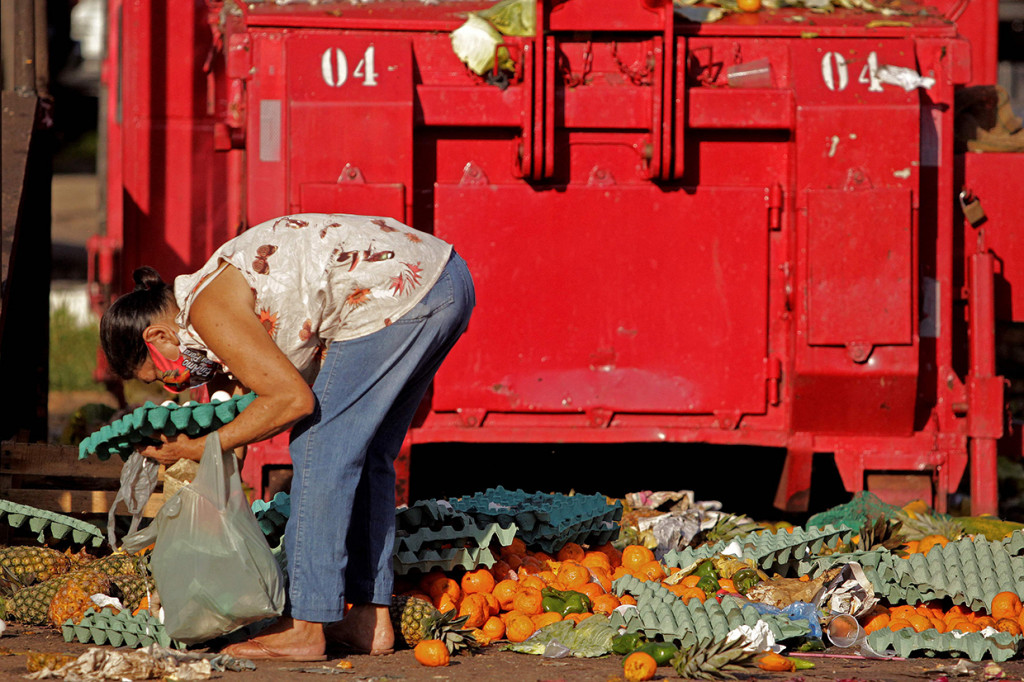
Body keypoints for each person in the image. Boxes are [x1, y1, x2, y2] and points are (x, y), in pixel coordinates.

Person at [100, 212, 475, 661]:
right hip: (444, 278)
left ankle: (304, 624)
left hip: (395, 294)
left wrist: (200, 447)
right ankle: (368, 621)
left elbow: (292, 401)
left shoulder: (207, 308)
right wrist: (211, 461)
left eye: (159, 373)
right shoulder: (213, 296)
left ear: (158, 335)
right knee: (368, 451)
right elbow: (247, 409)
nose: (172, 385)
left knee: (318, 445)